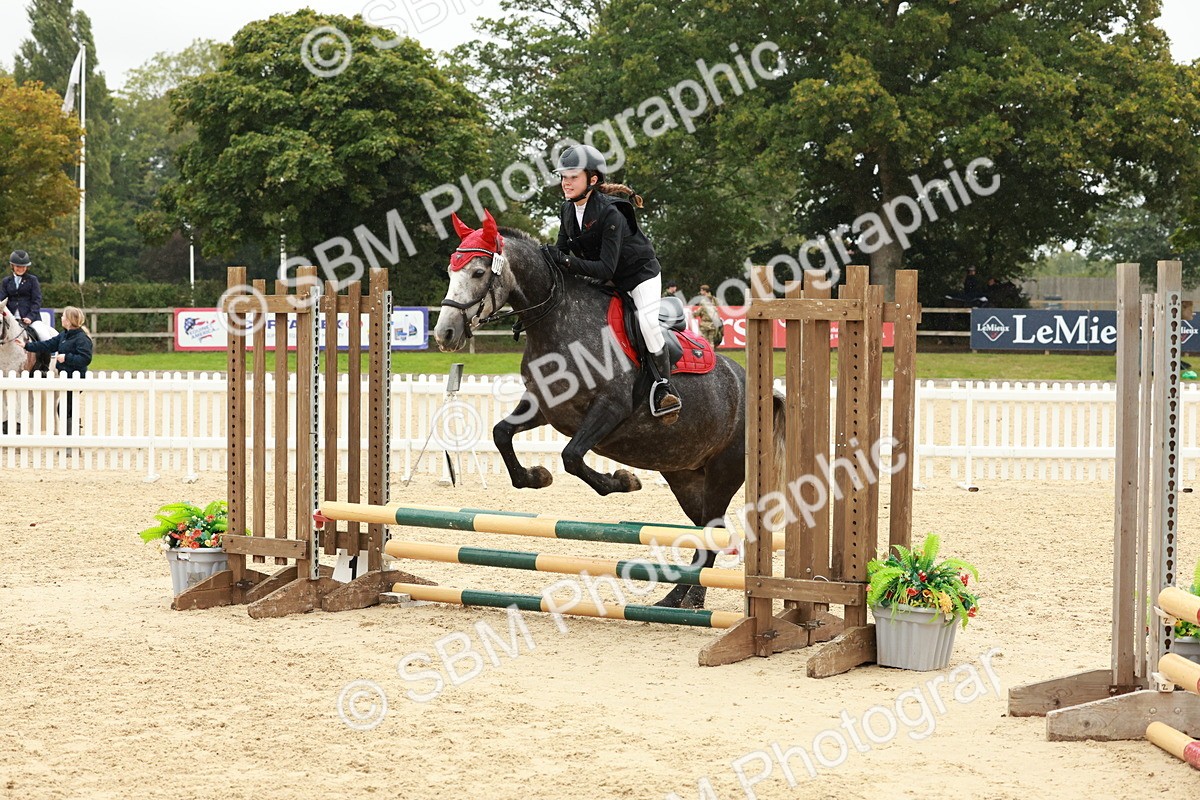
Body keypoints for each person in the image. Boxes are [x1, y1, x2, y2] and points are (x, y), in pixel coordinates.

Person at [546, 145, 681, 422]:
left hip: (638, 276)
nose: (566, 182)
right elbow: (561, 251)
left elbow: (602, 266)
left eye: (572, 176)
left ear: (592, 180)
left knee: (646, 321)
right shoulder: (567, 210)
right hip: (606, 278)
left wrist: (565, 262)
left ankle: (664, 387)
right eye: (563, 177)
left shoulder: (612, 212)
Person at [25, 306, 93, 439]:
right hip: (65, 378)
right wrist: (26, 346)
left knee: (65, 408)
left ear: (69, 320)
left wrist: (66, 357)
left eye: (63, 317)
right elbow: (47, 345)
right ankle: (72, 439)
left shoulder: (82, 339)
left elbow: (85, 359)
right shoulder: (63, 336)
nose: (61, 318)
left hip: (75, 379)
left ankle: (72, 440)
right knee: (66, 408)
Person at [0, 250, 43, 325]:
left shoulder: (32, 280)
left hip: (30, 319)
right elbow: (2, 300)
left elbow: (37, 300)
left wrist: (30, 317)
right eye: (18, 266)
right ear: (12, 266)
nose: (20, 269)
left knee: (42, 334)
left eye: (23, 267)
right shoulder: (6, 281)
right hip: (10, 319)